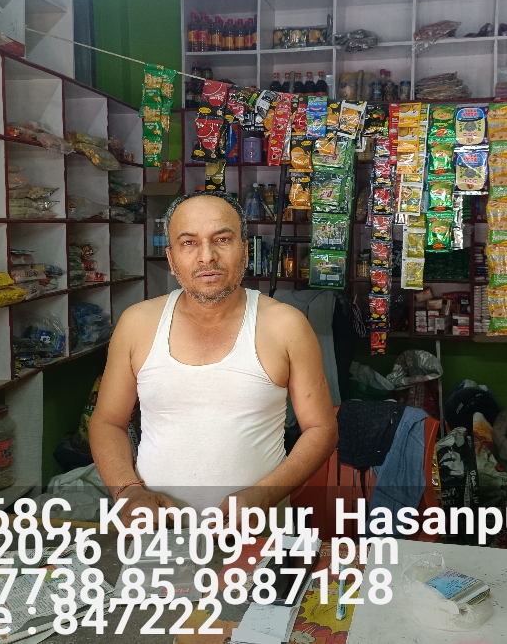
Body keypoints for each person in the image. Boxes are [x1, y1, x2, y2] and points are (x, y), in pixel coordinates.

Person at [90, 191, 338, 527]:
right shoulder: (137, 324)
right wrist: (128, 491)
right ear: (171, 258)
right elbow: (108, 422)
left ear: (245, 251)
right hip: (159, 530)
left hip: (258, 532)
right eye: (189, 243)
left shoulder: (286, 325)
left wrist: (265, 494)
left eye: (222, 239)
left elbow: (321, 429)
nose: (207, 256)